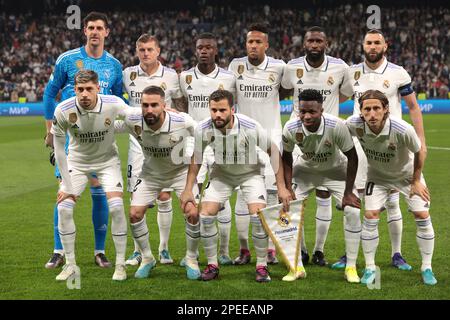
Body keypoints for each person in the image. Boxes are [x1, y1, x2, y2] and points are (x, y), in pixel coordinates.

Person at [335, 29, 427, 270]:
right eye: (368, 43)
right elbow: (339, 96)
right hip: (361, 143)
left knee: (393, 202)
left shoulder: (398, 73)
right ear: (363, 46)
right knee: (356, 201)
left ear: (385, 46)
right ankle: (351, 253)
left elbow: (414, 107)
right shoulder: (352, 72)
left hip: (391, 144)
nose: (372, 47)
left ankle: (397, 254)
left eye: (377, 43)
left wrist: (421, 139)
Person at [180, 89, 292, 282]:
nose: (217, 114)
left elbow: (273, 151)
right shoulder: (203, 128)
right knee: (205, 215)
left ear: (232, 109)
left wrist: (281, 186)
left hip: (250, 174)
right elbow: (196, 160)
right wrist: (188, 188)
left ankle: (262, 266)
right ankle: (212, 265)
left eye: (222, 110)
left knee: (258, 216)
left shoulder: (250, 126)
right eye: (214, 110)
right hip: (222, 175)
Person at [43, 12, 123, 269]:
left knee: (100, 194)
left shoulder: (114, 65)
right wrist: (49, 129)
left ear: (107, 32)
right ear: (85, 31)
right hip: (71, 140)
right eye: (91, 27)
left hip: (101, 142)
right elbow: (49, 93)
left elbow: (120, 101)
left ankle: (99, 251)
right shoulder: (67, 60)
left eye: (100, 28)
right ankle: (59, 251)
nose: (95, 32)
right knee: (64, 194)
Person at [345, 90, 436, 286]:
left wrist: (416, 180)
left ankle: (426, 267)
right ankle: (370, 268)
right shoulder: (354, 124)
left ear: (386, 109)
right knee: (370, 216)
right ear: (360, 111)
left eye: (376, 108)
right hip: (377, 177)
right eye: (367, 109)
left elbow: (420, 151)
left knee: (422, 215)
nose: (372, 114)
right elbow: (338, 133)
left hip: (406, 176)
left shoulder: (402, 129)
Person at [281, 26, 350, 266]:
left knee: (324, 192)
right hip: (299, 134)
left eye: (319, 40)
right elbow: (283, 90)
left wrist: (326, 110)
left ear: (326, 43)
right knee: (294, 196)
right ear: (304, 43)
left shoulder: (340, 67)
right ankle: (301, 250)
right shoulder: (291, 67)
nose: (314, 44)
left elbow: (346, 94)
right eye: (310, 40)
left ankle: (319, 251)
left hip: (329, 134)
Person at [51, 70, 129, 281]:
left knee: (117, 206)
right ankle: (69, 264)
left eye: (89, 89)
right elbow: (59, 150)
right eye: (80, 89)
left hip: (107, 161)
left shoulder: (112, 103)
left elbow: (133, 115)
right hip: (77, 162)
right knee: (64, 208)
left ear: (98, 89)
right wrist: (66, 186)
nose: (84, 94)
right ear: (74, 89)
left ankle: (120, 265)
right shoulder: (63, 110)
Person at [118, 85, 201, 280]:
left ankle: (191, 259)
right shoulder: (134, 119)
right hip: (151, 174)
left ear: (164, 105)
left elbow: (200, 146)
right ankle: (147, 258)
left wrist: (189, 186)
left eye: (154, 105)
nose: (149, 110)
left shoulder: (182, 121)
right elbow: (110, 122)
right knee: (134, 214)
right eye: (145, 105)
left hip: (180, 173)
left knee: (193, 213)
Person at [281, 89, 361, 283]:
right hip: (306, 171)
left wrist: (349, 192)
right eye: (302, 111)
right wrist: (287, 188)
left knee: (353, 211)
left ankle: (351, 266)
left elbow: (352, 157)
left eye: (312, 112)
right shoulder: (291, 127)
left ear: (321, 110)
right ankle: (297, 266)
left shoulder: (337, 126)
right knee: (287, 210)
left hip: (335, 171)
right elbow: (286, 157)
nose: (306, 116)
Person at [122, 34, 185, 266]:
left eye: (149, 49)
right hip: (138, 143)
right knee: (136, 198)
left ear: (158, 51)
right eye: (141, 50)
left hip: (164, 144)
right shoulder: (127, 74)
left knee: (164, 194)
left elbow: (179, 104)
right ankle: (138, 250)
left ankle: (164, 248)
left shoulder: (171, 75)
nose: (145, 53)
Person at [228, 22, 286, 265]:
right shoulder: (235, 66)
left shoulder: (280, 67)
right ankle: (244, 250)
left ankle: (271, 248)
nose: (253, 45)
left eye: (258, 42)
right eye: (250, 42)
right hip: (243, 141)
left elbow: (290, 90)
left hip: (272, 139)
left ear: (266, 45)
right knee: (243, 196)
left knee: (272, 197)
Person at [179, 33, 236, 266]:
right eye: (200, 47)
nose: (204, 50)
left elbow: (234, 108)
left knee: (221, 198)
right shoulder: (184, 77)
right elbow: (182, 103)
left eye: (209, 47)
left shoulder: (229, 77)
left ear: (215, 50)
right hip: (195, 142)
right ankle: (191, 254)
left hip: (222, 142)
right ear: (195, 50)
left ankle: (223, 252)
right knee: (191, 195)